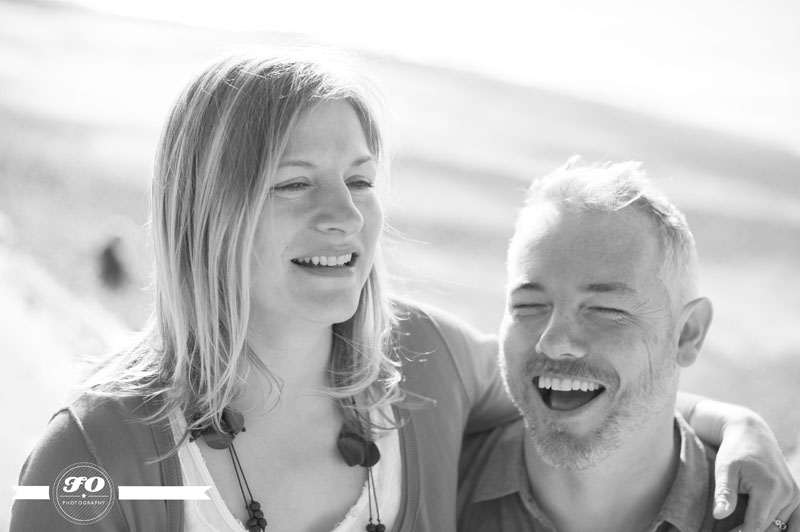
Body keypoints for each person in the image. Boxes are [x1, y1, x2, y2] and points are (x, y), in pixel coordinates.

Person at [10, 52, 799, 532]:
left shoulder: (424, 362)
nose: (343, 214)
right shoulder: (88, 456)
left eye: (359, 180)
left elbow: (583, 378)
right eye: (295, 184)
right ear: (205, 211)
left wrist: (742, 425)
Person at [457, 159, 800, 532]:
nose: (554, 343)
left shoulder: (770, 518)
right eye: (529, 306)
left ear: (688, 334)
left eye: (604, 310)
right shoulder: (434, 473)